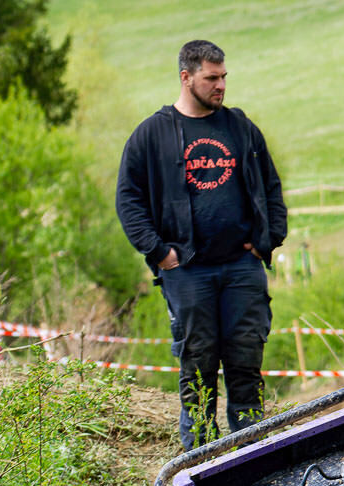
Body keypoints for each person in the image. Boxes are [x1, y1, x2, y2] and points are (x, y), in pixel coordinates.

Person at [116, 39, 287, 451]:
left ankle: (252, 455)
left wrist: (267, 240)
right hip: (188, 272)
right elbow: (128, 199)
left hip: (241, 268)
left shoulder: (240, 128)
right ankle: (202, 462)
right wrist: (159, 252)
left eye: (224, 77)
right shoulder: (152, 135)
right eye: (211, 78)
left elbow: (271, 187)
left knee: (246, 365)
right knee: (198, 369)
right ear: (186, 77)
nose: (221, 85)